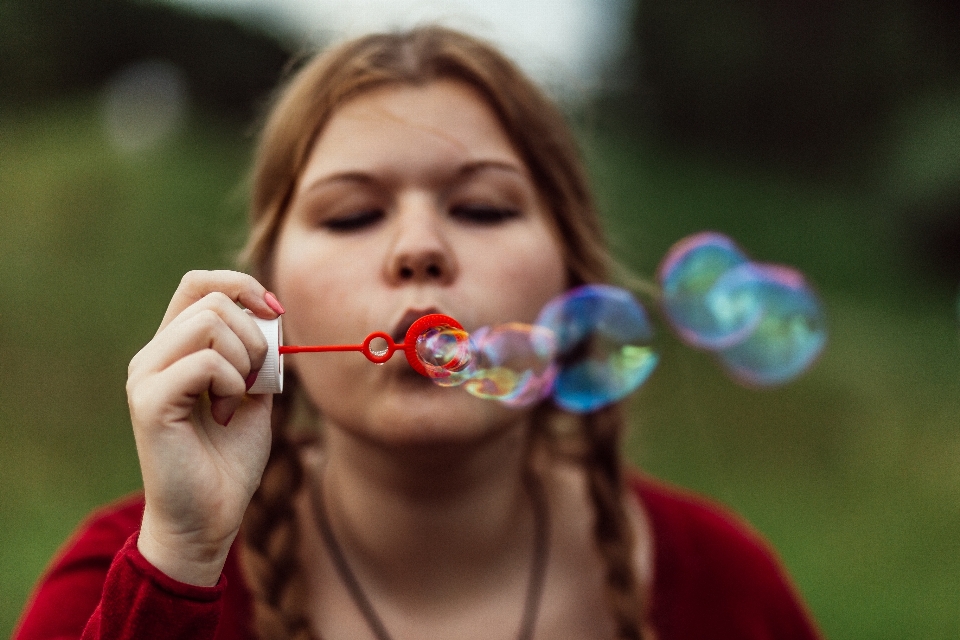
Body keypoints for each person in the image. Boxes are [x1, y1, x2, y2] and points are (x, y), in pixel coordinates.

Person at [14, 27, 823, 640]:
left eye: (482, 207)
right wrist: (180, 564)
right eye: (353, 214)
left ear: (573, 280)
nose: (418, 248)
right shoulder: (130, 569)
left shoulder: (726, 589)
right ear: (267, 299)